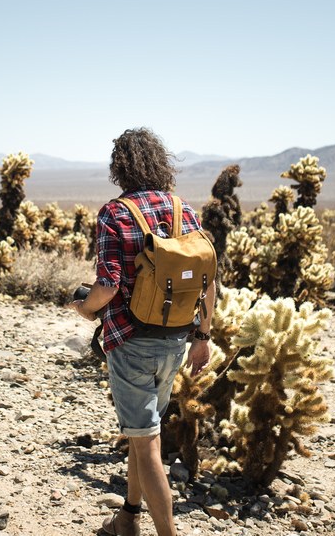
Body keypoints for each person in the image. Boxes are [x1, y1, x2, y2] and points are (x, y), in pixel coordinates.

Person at [68, 127, 216, 536]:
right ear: (160, 163)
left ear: (120, 169)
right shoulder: (182, 210)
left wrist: (84, 309)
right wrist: (202, 338)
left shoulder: (114, 213)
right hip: (175, 340)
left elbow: (109, 285)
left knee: (147, 443)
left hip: (131, 341)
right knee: (142, 432)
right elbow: (209, 279)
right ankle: (128, 518)